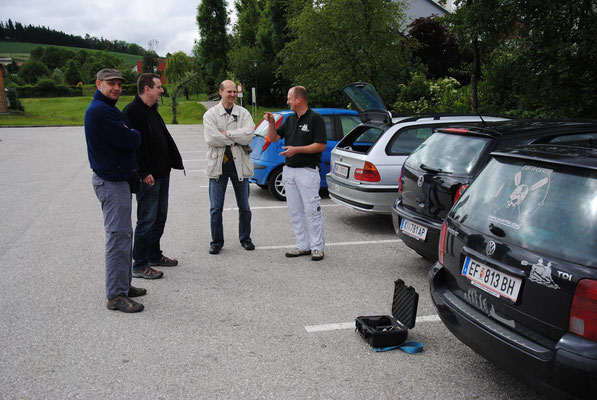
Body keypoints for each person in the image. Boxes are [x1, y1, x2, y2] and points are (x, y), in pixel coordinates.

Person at [84, 68, 145, 313]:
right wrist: (133, 134)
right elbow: (131, 140)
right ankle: (116, 296)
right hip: (111, 182)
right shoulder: (100, 111)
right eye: (111, 83)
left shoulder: (108, 108)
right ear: (98, 83)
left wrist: (130, 133)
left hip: (117, 182)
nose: (116, 88)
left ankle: (123, 284)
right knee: (117, 238)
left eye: (119, 84)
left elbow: (128, 134)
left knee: (123, 236)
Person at [123, 73, 184, 280]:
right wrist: (143, 172)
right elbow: (132, 147)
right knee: (146, 220)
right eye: (158, 86)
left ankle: (154, 255)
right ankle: (140, 264)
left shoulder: (151, 110)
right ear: (147, 89)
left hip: (162, 173)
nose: (162, 90)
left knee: (159, 218)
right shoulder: (132, 112)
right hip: (148, 177)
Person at [265, 86, 326, 261]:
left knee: (312, 210)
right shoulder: (290, 119)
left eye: (289, 98)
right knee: (295, 211)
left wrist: (296, 150)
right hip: (289, 170)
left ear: (299, 99)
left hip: (307, 171)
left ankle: (317, 247)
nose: (287, 101)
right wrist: (271, 123)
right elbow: (273, 137)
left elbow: (320, 145)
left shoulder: (315, 119)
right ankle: (302, 246)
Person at [203, 80, 255, 255]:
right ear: (220, 92)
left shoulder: (244, 113)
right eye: (229, 92)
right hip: (218, 167)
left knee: (245, 207)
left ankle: (245, 239)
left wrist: (227, 134)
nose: (232, 95)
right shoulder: (210, 114)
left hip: (239, 166)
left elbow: (248, 136)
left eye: (234, 92)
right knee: (216, 208)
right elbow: (212, 139)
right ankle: (216, 242)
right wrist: (236, 138)